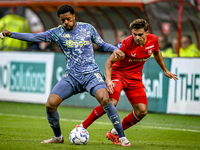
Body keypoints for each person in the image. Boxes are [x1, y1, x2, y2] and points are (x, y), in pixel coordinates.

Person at [0, 4, 131, 146]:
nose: (65, 23)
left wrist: (115, 49)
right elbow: (35, 37)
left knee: (106, 99)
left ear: (74, 16)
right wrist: (11, 34)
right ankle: (57, 137)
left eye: (68, 19)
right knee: (50, 105)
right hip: (71, 77)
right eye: (63, 20)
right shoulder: (57, 33)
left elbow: (102, 44)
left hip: (91, 75)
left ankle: (122, 137)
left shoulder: (87, 28)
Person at [76, 19, 178, 145]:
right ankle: (81, 127)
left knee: (142, 111)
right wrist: (108, 81)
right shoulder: (125, 44)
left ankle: (114, 133)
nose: (137, 37)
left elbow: (156, 53)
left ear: (147, 32)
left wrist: (165, 70)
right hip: (119, 74)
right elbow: (109, 63)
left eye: (140, 34)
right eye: (134, 34)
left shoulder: (154, 40)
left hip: (135, 78)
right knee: (111, 102)